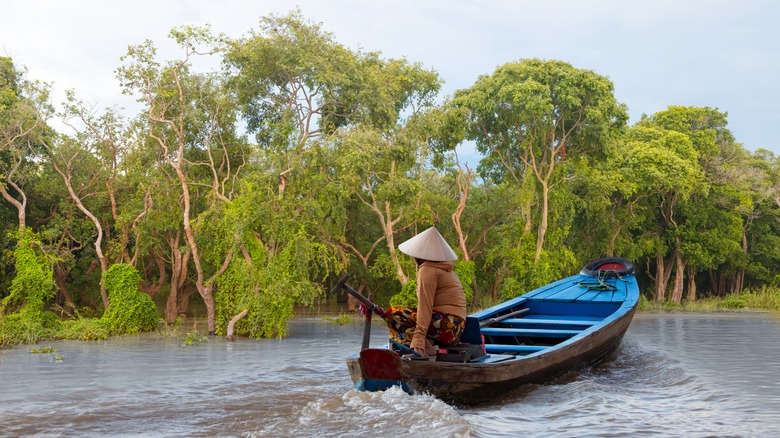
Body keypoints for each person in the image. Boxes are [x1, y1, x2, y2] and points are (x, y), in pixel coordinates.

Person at [385, 226, 467, 358]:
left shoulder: (427, 270)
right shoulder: (445, 269)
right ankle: (428, 344)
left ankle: (425, 348)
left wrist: (418, 338)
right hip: (456, 330)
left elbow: (425, 306)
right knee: (410, 314)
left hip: (448, 328)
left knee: (393, 313)